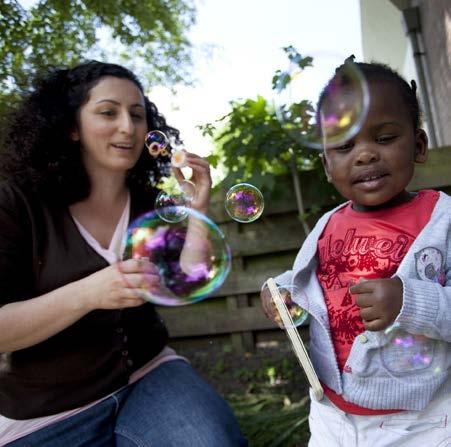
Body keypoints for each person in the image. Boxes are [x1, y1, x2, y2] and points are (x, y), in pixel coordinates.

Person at [0, 60, 247, 446]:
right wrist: (89, 292)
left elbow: (190, 279)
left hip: (149, 373)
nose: (128, 127)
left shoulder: (151, 202)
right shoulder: (17, 205)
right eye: (107, 112)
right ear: (70, 126)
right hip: (48, 410)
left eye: (137, 114)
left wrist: (198, 213)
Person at [261, 60, 451, 447]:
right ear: (327, 165)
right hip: (333, 415)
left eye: (383, 138)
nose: (364, 155)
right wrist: (282, 291)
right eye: (345, 146)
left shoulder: (442, 220)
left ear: (418, 145)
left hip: (422, 421)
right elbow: (311, 283)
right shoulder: (327, 225)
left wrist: (408, 301)